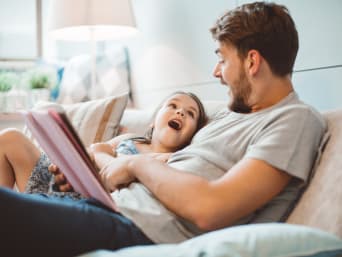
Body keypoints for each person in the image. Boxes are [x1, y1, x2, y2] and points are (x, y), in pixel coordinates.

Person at [0, 2, 327, 257]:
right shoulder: (232, 115)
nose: (216, 72)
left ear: (252, 62)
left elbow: (210, 208)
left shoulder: (295, 120)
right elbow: (174, 163)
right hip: (107, 206)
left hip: (134, 229)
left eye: (223, 60)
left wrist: (134, 164)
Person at [0, 91, 207, 199]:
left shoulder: (175, 160)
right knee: (10, 138)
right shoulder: (130, 139)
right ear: (154, 120)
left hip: (89, 203)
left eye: (190, 114)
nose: (180, 112)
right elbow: (95, 150)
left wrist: (102, 155)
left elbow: (103, 153)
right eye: (173, 105)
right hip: (66, 184)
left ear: (191, 135)